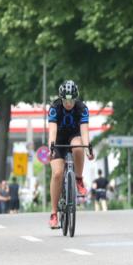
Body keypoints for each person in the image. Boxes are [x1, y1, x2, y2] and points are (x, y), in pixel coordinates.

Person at [47, 80, 93, 229]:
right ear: (61, 98)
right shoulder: (54, 108)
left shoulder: (82, 108)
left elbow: (84, 131)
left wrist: (88, 149)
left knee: (78, 146)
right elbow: (52, 131)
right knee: (57, 173)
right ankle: (54, 213)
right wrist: (51, 148)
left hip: (74, 136)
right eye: (65, 100)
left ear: (76, 98)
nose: (68, 103)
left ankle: (78, 179)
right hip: (59, 140)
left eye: (71, 100)